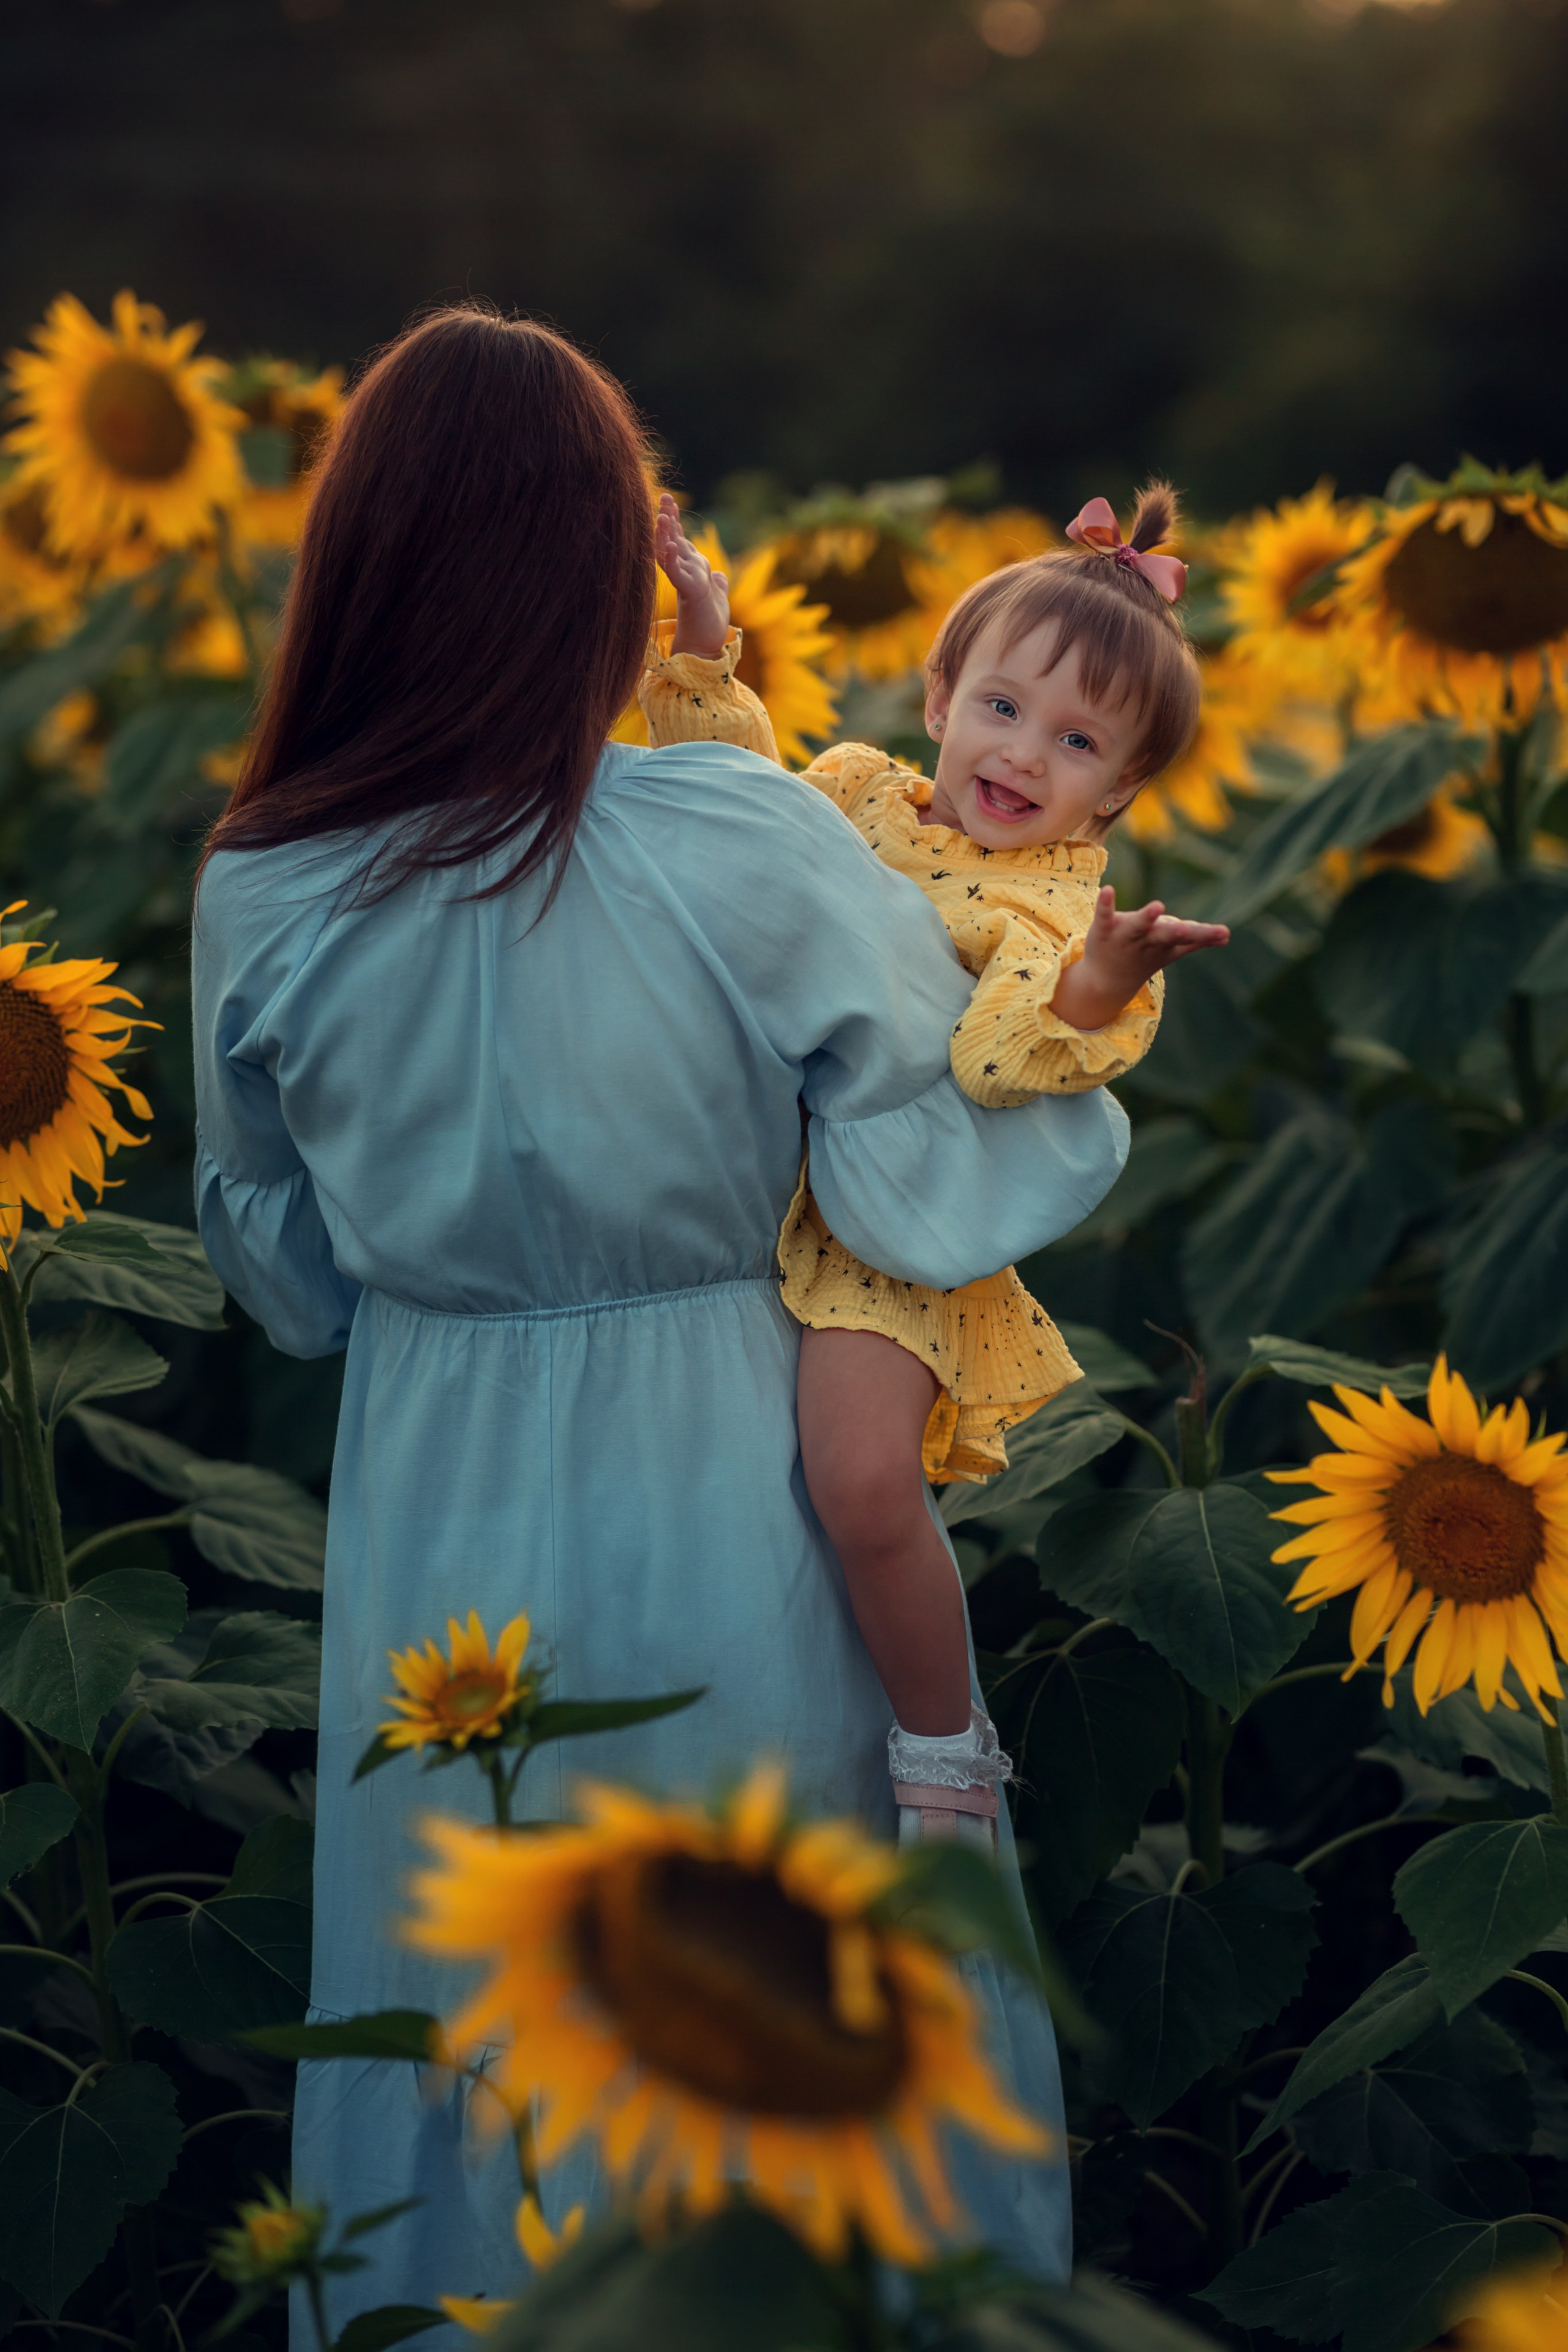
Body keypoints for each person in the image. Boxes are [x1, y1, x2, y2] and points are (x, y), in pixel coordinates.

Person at [190, 304, 1131, 2321]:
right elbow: (924, 1168)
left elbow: (278, 1275)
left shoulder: (259, 887)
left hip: (437, 1493)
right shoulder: (736, 837)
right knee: (780, 2004)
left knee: (462, 1997)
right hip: (734, 1477)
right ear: (607, 571)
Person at [644, 491, 1227, 1842]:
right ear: (939, 694)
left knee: (858, 1482)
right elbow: (737, 818)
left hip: (881, 1233)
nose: (1023, 755)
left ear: (1121, 790)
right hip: (745, 1184)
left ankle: (944, 1754)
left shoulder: (1045, 906)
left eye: (1078, 742)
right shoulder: (853, 792)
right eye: (1003, 707)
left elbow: (1004, 1054)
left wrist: (1095, 980)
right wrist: (705, 636)